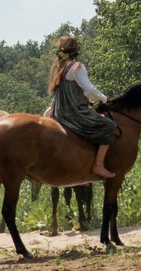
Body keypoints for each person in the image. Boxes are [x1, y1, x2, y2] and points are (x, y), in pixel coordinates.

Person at [47, 34, 119, 179]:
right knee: (109, 126)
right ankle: (98, 165)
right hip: (74, 112)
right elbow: (89, 89)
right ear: (76, 49)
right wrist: (104, 99)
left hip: (57, 111)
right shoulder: (76, 67)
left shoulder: (59, 67)